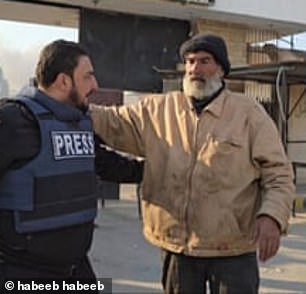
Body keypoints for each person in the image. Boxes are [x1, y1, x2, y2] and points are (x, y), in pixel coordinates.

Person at [90, 33, 295, 294]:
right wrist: (62, 105)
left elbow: (278, 172)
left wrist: (272, 217)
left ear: (221, 69)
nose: (195, 69)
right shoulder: (158, 110)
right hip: (178, 247)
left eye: (204, 61)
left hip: (232, 249)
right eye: (189, 62)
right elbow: (110, 121)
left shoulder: (249, 114)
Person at [0, 40, 143, 291]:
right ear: (64, 81)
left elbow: (105, 164)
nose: (95, 86)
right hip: (22, 274)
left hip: (76, 269)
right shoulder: (12, 121)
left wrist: (157, 170)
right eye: (87, 77)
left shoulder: (78, 122)